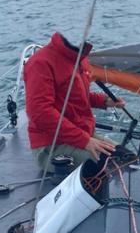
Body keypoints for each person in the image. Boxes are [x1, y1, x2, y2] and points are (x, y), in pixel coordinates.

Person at [24, 32, 124, 171]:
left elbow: (76, 95)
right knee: (112, 166)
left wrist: (104, 101)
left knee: (126, 157)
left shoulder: (79, 57)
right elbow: (40, 113)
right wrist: (84, 141)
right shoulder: (40, 63)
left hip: (81, 135)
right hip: (52, 145)